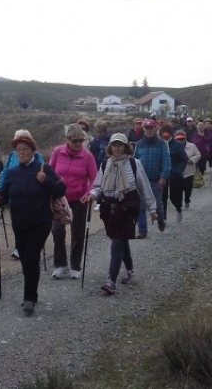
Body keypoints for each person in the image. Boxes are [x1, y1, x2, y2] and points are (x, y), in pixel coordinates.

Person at [0, 134, 66, 315]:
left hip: (40, 222)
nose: (21, 152)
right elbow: (4, 194)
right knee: (25, 258)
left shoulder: (44, 169)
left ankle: (29, 298)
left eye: (25, 149)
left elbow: (61, 189)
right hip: (19, 222)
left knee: (31, 257)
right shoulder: (12, 173)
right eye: (18, 150)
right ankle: (31, 290)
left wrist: (46, 181)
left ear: (33, 150)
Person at [81, 133, 157, 295]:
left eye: (120, 145)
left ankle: (111, 280)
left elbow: (144, 186)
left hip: (129, 207)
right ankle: (129, 270)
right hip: (109, 207)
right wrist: (93, 195)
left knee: (118, 240)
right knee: (120, 239)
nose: (117, 148)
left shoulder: (134, 164)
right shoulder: (104, 164)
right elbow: (98, 186)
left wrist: (153, 209)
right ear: (110, 147)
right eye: (114, 145)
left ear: (125, 147)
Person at [48, 124, 97, 280]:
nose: (78, 144)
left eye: (81, 140)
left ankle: (75, 265)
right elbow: (50, 172)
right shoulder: (57, 152)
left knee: (78, 233)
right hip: (59, 200)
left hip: (79, 199)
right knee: (57, 230)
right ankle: (61, 265)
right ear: (67, 139)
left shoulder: (87, 156)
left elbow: (94, 178)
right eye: (75, 141)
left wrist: (89, 193)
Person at [0, 129, 45, 260]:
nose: (20, 150)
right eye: (18, 145)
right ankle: (19, 246)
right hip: (15, 194)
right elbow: (5, 172)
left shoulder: (38, 158)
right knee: (17, 220)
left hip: (33, 201)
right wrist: (0, 188)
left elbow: (44, 172)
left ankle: (26, 247)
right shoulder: (12, 155)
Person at [133, 120, 170, 238]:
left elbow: (166, 161)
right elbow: (135, 160)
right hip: (141, 180)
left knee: (157, 204)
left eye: (151, 128)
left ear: (156, 128)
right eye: (147, 128)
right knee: (140, 205)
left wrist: (164, 176)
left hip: (156, 179)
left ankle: (160, 220)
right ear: (144, 129)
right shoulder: (139, 144)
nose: (149, 130)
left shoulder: (162, 144)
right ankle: (142, 230)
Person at [159, 125, 188, 223]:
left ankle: (179, 208)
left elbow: (184, 159)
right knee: (163, 197)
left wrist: (179, 170)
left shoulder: (177, 145)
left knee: (174, 197)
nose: (165, 137)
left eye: (167, 136)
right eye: (164, 136)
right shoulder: (160, 144)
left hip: (175, 175)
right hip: (163, 175)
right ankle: (163, 218)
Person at [176, 130, 201, 218]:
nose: (180, 141)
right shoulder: (172, 147)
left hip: (189, 171)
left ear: (185, 138)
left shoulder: (192, 146)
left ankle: (187, 199)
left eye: (182, 139)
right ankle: (179, 204)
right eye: (178, 139)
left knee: (188, 188)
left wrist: (192, 160)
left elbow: (198, 155)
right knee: (178, 190)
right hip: (177, 173)